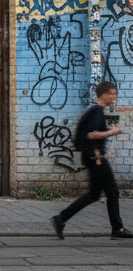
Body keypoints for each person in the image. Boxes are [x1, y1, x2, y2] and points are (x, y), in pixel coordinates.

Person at [52, 81, 131, 239]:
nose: (114, 97)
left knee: (95, 194)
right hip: (96, 158)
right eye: (112, 94)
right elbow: (91, 134)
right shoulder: (96, 112)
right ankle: (118, 229)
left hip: (92, 156)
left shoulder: (95, 110)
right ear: (104, 94)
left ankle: (61, 218)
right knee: (112, 192)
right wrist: (112, 132)